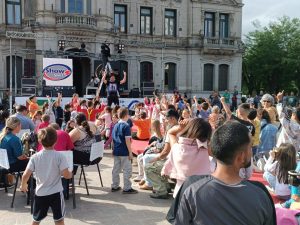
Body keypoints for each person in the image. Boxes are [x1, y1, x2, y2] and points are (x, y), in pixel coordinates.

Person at [172, 121, 275, 225]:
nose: (251, 151)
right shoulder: (260, 195)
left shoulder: (192, 190)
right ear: (241, 157)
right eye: (250, 146)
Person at [20, 127, 72, 225]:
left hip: (40, 193)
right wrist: (70, 173)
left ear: (39, 141)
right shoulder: (60, 156)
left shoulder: (35, 157)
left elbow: (26, 174)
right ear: (56, 141)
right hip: (56, 193)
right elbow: (66, 175)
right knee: (59, 219)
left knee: (36, 219)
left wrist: (23, 185)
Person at [161, 118, 212, 197]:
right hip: (202, 194)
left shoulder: (177, 147)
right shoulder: (207, 150)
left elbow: (170, 133)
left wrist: (180, 128)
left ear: (189, 129)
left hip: (180, 193)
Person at [144, 109, 179, 199]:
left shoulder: (172, 131)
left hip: (174, 162)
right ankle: (166, 187)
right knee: (160, 163)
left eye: (167, 119)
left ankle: (161, 191)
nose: (166, 121)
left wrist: (155, 159)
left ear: (172, 118)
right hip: (179, 161)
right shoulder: (181, 128)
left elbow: (165, 152)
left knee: (148, 167)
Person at [111, 108, 138, 194]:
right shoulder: (126, 126)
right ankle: (127, 188)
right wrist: (130, 152)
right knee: (127, 170)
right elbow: (127, 141)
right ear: (126, 116)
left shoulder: (115, 125)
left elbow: (113, 140)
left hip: (116, 150)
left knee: (116, 169)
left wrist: (113, 149)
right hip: (124, 151)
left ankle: (115, 186)